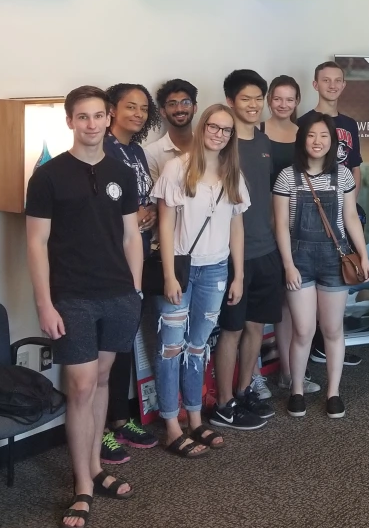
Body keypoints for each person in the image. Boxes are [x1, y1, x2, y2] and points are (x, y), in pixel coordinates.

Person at [25, 86, 143, 528]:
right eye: (82, 117)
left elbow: (132, 236)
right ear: (69, 121)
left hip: (118, 295)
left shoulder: (121, 171)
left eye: (98, 116)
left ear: (107, 118)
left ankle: (95, 467)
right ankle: (81, 486)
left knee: (103, 380)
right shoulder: (48, 176)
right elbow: (35, 244)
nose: (91, 124)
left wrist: (133, 290)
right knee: (80, 386)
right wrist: (44, 303)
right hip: (71, 297)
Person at [151, 104, 247, 458]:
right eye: (214, 126)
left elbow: (237, 226)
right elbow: (164, 224)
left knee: (198, 347)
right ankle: (171, 424)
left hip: (216, 270)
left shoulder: (232, 173)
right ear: (202, 126)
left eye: (226, 130)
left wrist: (238, 274)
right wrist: (167, 275)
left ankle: (194, 416)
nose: (219, 134)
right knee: (170, 348)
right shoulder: (178, 168)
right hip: (181, 269)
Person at [275, 111, 369, 420]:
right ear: (302, 139)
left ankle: (333, 392)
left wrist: (364, 254)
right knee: (303, 331)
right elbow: (279, 225)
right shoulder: (286, 176)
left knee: (332, 329)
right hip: (299, 259)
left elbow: (350, 219)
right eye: (311, 135)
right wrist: (288, 264)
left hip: (335, 258)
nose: (317, 142)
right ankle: (297, 391)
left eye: (324, 137)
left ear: (332, 142)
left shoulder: (342, 176)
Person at [210, 71, 283, 431]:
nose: (253, 105)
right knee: (232, 330)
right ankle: (223, 404)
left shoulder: (264, 141)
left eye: (258, 98)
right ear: (230, 101)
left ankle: (242, 392)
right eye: (245, 99)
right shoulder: (222, 144)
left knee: (256, 326)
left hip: (265, 249)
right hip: (230, 255)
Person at [100, 84, 159, 464]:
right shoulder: (101, 149)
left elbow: (141, 198)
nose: (137, 114)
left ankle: (121, 418)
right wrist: (131, 217)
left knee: (124, 341)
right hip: (110, 262)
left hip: (138, 255)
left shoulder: (136, 150)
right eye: (129, 107)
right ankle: (102, 428)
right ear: (111, 110)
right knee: (104, 348)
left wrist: (148, 212)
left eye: (142, 108)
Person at [264, 76, 320, 396]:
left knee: (291, 300)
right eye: (278, 98)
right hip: (264, 228)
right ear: (270, 99)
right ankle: (273, 372)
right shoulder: (257, 133)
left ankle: (290, 371)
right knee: (271, 302)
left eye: (290, 99)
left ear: (297, 100)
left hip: (301, 229)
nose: (283, 104)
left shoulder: (305, 135)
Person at [311, 61, 364, 367]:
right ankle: (317, 345)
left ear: (343, 85)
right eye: (325, 80)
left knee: (341, 276)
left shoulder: (350, 124)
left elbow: (355, 166)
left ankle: (331, 343)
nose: (332, 85)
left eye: (338, 81)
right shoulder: (305, 121)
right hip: (314, 216)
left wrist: (349, 204)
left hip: (344, 212)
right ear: (315, 84)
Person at [145, 79, 197, 184]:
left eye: (185, 102)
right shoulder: (151, 153)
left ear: (195, 108)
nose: (179, 109)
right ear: (163, 112)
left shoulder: (208, 146)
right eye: (172, 104)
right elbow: (154, 198)